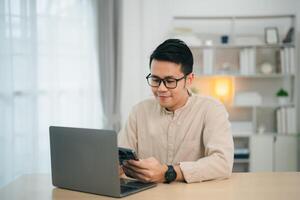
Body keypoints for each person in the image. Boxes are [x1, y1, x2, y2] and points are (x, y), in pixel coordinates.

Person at [118, 39, 233, 183]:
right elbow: (120, 157)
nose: (161, 88)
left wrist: (169, 172)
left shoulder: (212, 110)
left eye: (170, 81)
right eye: (155, 80)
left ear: (189, 80)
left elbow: (222, 163)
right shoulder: (139, 111)